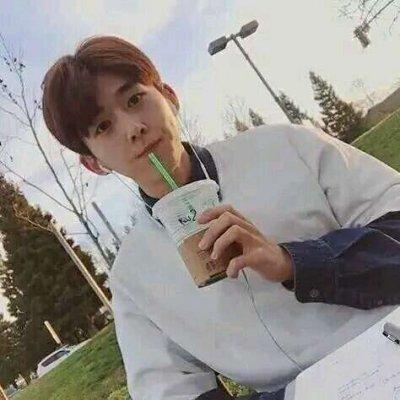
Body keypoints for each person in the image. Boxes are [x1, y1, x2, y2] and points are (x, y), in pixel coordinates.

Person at [41, 36, 400, 400]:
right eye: (103, 127)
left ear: (168, 95)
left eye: (134, 100)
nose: (133, 128)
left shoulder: (284, 147)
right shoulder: (133, 278)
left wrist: (292, 262)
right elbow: (168, 390)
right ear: (94, 163)